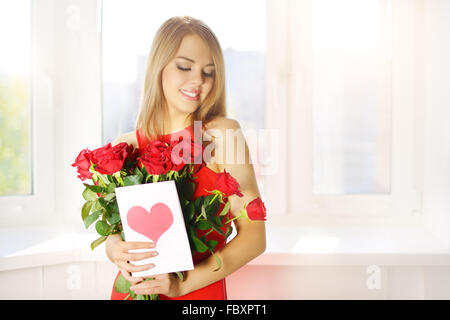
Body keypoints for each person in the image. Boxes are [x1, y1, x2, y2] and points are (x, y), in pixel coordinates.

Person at [107, 16, 266, 300]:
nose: (198, 81)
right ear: (159, 68)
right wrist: (113, 248)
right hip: (133, 292)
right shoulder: (124, 147)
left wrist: (182, 285)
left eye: (209, 72)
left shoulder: (223, 135)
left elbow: (254, 238)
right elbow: (116, 230)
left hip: (197, 296)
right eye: (185, 66)